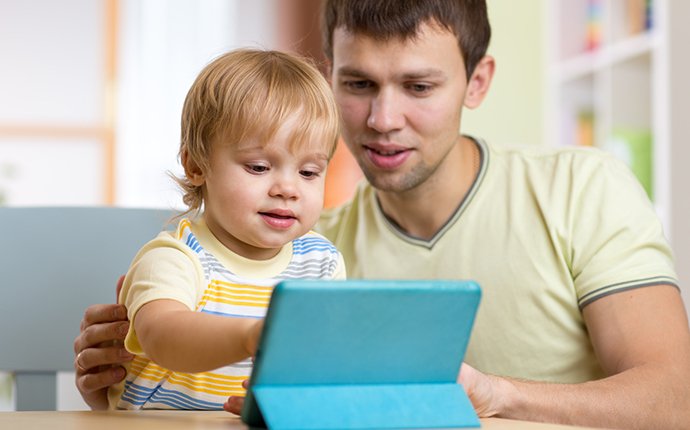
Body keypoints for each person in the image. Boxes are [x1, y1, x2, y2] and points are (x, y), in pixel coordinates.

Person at [74, 0, 690, 427]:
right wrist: (123, 382)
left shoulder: (583, 189)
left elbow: (676, 400)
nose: (382, 120)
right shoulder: (310, 247)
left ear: (477, 83)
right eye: (358, 84)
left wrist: (497, 395)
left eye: (419, 87)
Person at [98, 48, 345, 410]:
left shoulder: (322, 263)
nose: (288, 188)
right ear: (196, 166)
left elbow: (324, 362)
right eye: (259, 167)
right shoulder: (175, 256)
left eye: (309, 172)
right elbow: (161, 334)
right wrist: (251, 336)